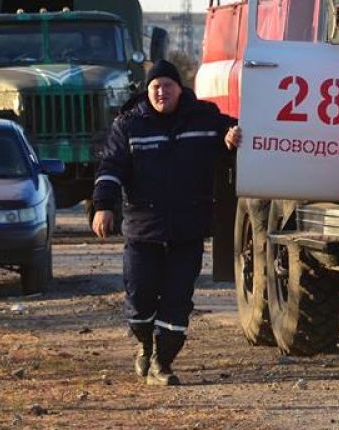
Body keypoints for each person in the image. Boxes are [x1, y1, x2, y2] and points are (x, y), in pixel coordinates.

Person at [91, 60, 242, 386]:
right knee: (140, 297)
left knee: (177, 298)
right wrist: (103, 206)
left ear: (179, 88)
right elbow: (111, 167)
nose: (162, 92)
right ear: (148, 91)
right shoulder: (129, 125)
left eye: (167, 86)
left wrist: (231, 137)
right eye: (155, 86)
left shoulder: (203, 118)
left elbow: (231, 132)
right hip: (143, 230)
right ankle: (145, 344)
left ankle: (163, 363)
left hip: (188, 228)